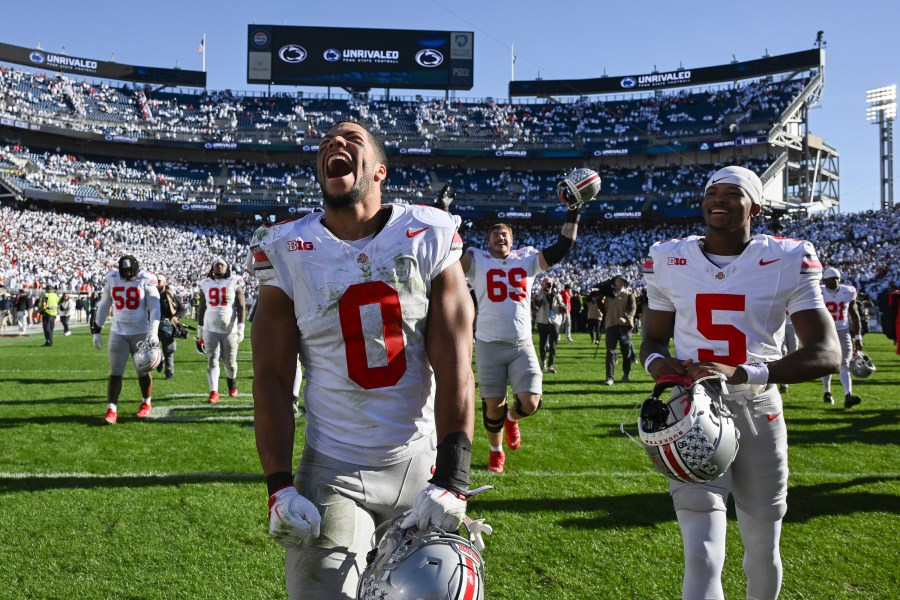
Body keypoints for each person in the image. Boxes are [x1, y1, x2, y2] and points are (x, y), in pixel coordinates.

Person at [250, 120, 475, 600]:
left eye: (352, 139)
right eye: (328, 141)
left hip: (420, 461)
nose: (336, 143)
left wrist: (454, 477)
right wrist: (279, 486)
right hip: (335, 470)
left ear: (379, 171)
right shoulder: (286, 249)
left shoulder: (428, 232)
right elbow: (270, 378)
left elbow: (456, 365)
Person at [640, 165, 840, 600]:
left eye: (733, 194)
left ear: (756, 206)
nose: (720, 200)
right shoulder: (668, 258)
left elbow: (827, 352)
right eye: (713, 192)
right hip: (691, 411)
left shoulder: (787, 257)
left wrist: (746, 371)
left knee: (762, 549)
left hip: (757, 410)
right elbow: (652, 341)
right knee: (701, 553)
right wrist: (661, 365)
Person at [459, 203, 582, 473]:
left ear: (512, 241)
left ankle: (512, 419)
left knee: (531, 401)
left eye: (505, 235)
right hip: (489, 345)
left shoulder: (526, 258)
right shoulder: (476, 260)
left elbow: (562, 247)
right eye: (495, 234)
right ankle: (496, 451)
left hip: (521, 345)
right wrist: (445, 213)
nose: (500, 237)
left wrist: (573, 212)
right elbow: (450, 256)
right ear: (487, 240)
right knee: (493, 406)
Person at [92, 255, 161, 424]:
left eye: (130, 270)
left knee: (143, 371)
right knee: (115, 372)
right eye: (125, 271)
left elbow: (155, 307)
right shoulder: (113, 277)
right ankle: (111, 409)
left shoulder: (146, 279)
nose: (128, 274)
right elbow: (104, 304)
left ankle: (146, 403)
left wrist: (153, 332)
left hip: (141, 333)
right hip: (118, 332)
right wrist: (97, 329)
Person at [197, 258, 247, 402]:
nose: (219, 266)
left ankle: (232, 383)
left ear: (227, 268)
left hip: (229, 330)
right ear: (212, 268)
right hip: (209, 328)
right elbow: (202, 307)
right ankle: (214, 391)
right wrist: (200, 330)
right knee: (212, 360)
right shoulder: (205, 283)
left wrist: (241, 327)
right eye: (216, 265)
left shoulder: (233, 281)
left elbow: (241, 305)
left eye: (222, 264)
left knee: (230, 362)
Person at [820, 267, 863, 408]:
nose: (836, 280)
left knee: (845, 363)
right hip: (824, 331)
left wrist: (858, 336)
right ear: (825, 280)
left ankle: (848, 395)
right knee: (826, 364)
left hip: (843, 331)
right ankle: (827, 392)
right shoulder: (818, 291)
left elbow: (854, 314)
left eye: (837, 278)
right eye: (832, 278)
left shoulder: (847, 291)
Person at [602, 275, 636, 385]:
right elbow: (604, 310)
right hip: (611, 325)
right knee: (610, 352)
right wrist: (597, 300)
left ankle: (626, 372)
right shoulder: (609, 296)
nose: (619, 283)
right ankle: (609, 377)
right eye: (617, 281)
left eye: (621, 281)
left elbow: (632, 309)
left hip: (624, 327)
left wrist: (626, 317)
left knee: (626, 352)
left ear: (624, 283)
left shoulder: (629, 295)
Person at [534, 277, 566, 374]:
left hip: (554, 321)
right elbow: (536, 304)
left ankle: (551, 365)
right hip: (543, 320)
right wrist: (541, 292)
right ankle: (543, 361)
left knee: (553, 345)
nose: (547, 285)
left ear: (553, 284)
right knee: (542, 344)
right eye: (544, 283)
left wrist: (559, 300)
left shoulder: (557, 294)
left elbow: (563, 308)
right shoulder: (540, 294)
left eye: (548, 283)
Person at [156, 275, 185, 380]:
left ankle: (169, 373)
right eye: (156, 281)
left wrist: (176, 316)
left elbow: (182, 309)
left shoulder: (169, 295)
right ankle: (159, 361)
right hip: (153, 326)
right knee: (153, 349)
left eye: (159, 281)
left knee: (168, 351)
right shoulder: (151, 295)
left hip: (167, 326)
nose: (157, 283)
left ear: (164, 282)